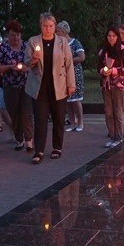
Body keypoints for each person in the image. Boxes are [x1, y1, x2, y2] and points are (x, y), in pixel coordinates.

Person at [24, 12, 75, 163]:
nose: (48, 29)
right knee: (40, 119)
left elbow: (69, 64)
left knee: (59, 118)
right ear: (41, 26)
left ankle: (57, 147)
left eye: (51, 26)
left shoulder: (62, 42)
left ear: (55, 26)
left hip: (58, 85)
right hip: (40, 86)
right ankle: (39, 150)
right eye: (45, 26)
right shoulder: (33, 41)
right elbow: (26, 62)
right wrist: (33, 59)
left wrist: (71, 84)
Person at [0, 19, 33, 152]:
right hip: (9, 86)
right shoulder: (3, 48)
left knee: (26, 113)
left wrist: (27, 68)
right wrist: (10, 66)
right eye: (12, 35)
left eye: (17, 35)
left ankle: (29, 140)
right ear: (7, 35)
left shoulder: (27, 46)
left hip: (26, 85)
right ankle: (19, 139)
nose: (15, 37)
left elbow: (33, 63)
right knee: (14, 113)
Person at [97, 26, 124, 148]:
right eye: (109, 36)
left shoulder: (123, 50)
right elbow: (98, 67)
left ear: (117, 37)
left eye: (113, 36)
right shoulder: (103, 51)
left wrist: (113, 71)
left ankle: (118, 137)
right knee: (108, 112)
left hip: (118, 85)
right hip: (106, 85)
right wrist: (103, 70)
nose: (111, 38)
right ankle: (112, 136)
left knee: (118, 111)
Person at [56, 21, 85, 132]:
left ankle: (80, 122)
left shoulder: (75, 42)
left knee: (76, 100)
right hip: (62, 75)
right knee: (67, 100)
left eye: (58, 31)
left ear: (64, 31)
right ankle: (72, 123)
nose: (57, 33)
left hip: (75, 74)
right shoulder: (58, 44)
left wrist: (68, 62)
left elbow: (81, 57)